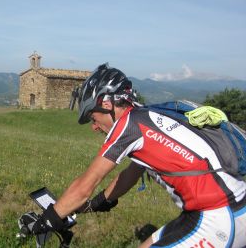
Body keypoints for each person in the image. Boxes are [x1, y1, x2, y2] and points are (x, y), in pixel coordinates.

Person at [27, 63, 246, 247]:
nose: (94, 127)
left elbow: (86, 184)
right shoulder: (147, 117)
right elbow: (132, 173)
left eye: (93, 118)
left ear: (107, 103)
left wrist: (49, 219)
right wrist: (101, 202)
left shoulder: (128, 127)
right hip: (216, 209)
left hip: (220, 215)